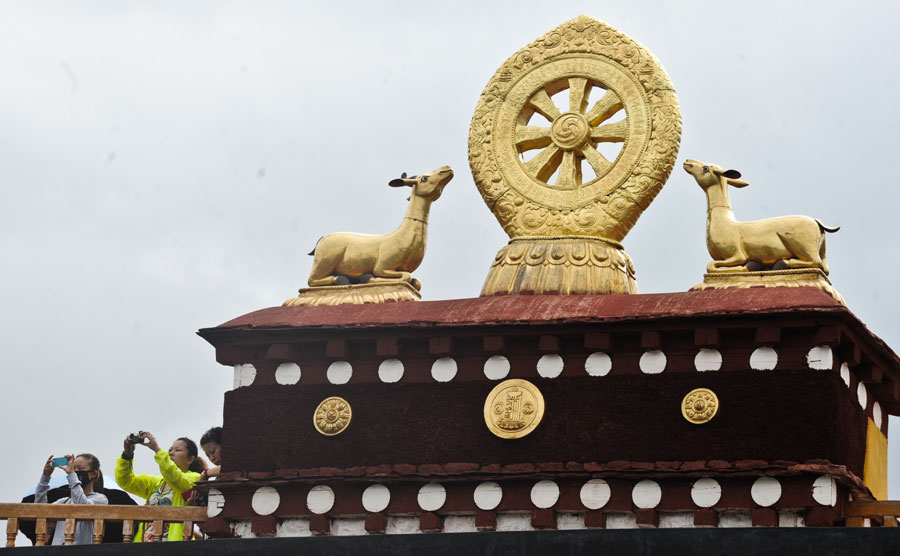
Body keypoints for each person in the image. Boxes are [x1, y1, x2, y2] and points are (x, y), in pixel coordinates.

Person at [115, 431, 203, 542]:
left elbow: (175, 477)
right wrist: (127, 455)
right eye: (170, 450)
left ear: (190, 459)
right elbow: (126, 481)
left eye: (178, 450)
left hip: (174, 546)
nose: (171, 453)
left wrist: (157, 449)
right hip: (146, 544)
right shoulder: (156, 483)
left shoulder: (194, 478)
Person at [34, 453, 108, 545]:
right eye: (74, 468)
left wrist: (71, 474)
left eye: (80, 469)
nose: (76, 472)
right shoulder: (64, 501)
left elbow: (81, 508)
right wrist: (45, 477)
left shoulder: (100, 499)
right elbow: (40, 510)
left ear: (93, 473)